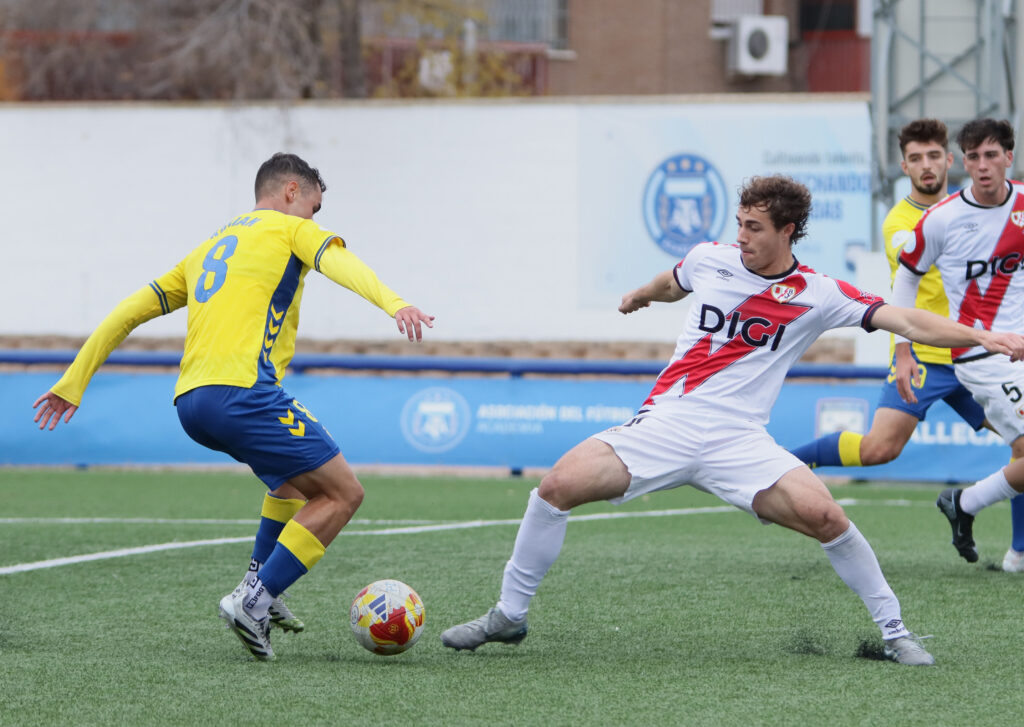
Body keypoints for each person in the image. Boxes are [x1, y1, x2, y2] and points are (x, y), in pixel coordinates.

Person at [440, 175, 1024, 666]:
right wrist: (640, 296)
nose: (740, 236)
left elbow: (908, 320)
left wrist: (981, 336)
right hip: (667, 423)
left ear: (787, 231)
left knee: (827, 516)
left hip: (740, 441)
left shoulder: (818, 293)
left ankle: (895, 632)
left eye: (754, 228)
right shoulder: (710, 259)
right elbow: (673, 281)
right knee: (555, 488)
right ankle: (509, 616)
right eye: (739, 223)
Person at [32, 153, 434, 662]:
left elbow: (127, 311)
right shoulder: (291, 230)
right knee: (343, 494)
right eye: (313, 207)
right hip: (244, 394)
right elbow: (341, 263)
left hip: (191, 403)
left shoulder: (207, 249)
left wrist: (74, 381)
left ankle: (263, 588)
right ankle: (255, 599)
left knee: (289, 486)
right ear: (292, 191)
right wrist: (396, 303)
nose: (315, 220)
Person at [789, 120, 1024, 571]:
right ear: (905, 167)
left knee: (1019, 447)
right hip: (931, 355)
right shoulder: (911, 223)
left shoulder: (986, 211)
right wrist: (901, 349)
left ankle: (1017, 549)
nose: (927, 165)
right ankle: (784, 464)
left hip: (987, 349)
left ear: (947, 161)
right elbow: (911, 269)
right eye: (916, 159)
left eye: (934, 156)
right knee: (880, 448)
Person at [895, 118, 1024, 568]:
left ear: (1010, 156)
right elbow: (905, 282)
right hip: (981, 355)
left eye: (992, 155)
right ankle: (969, 507)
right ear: (963, 161)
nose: (983, 166)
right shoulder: (942, 219)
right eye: (974, 157)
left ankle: (980, 520)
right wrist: (902, 348)